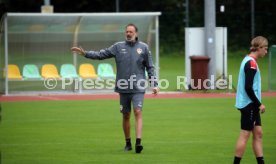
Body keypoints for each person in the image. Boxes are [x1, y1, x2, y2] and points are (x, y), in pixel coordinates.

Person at [71, 23, 159, 153]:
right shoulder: (118, 47)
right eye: (127, 32)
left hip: (138, 87)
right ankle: (128, 143)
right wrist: (85, 53)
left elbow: (150, 67)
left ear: (136, 33)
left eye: (131, 32)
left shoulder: (144, 48)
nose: (128, 33)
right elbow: (101, 54)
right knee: (126, 115)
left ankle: (138, 142)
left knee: (138, 111)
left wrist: (154, 83)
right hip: (123, 87)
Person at [233, 36, 268, 164]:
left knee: (258, 133)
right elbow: (248, 87)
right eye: (265, 48)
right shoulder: (251, 63)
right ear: (258, 48)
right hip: (250, 104)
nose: (266, 51)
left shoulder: (248, 60)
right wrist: (259, 104)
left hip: (250, 103)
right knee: (245, 135)